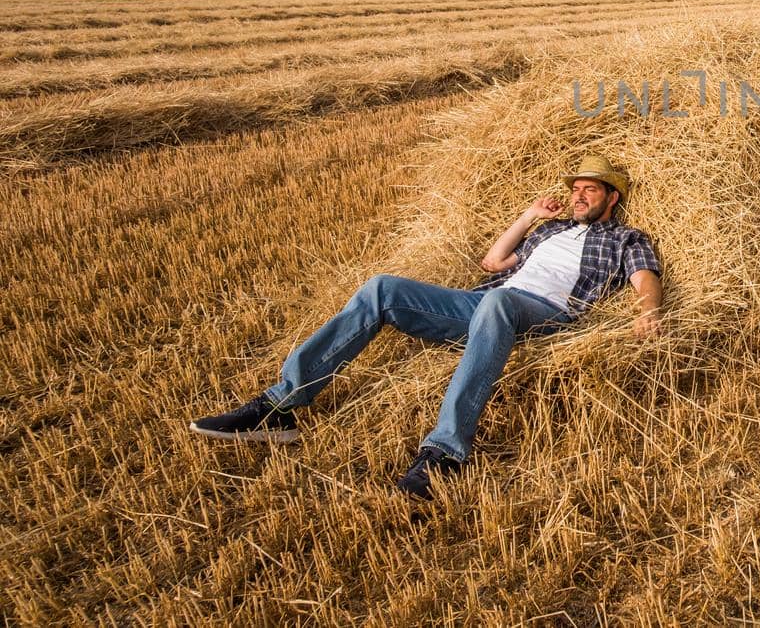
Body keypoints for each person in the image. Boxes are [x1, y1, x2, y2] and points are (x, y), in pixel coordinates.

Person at [189, 154, 663, 500]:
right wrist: (528, 216)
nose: (579, 196)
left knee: (498, 301)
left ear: (611, 197)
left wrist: (648, 311)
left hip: (545, 313)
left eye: (591, 190)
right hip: (483, 303)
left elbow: (645, 276)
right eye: (576, 188)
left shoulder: (625, 238)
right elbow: (493, 261)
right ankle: (282, 405)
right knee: (382, 288)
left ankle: (446, 452)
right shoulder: (548, 231)